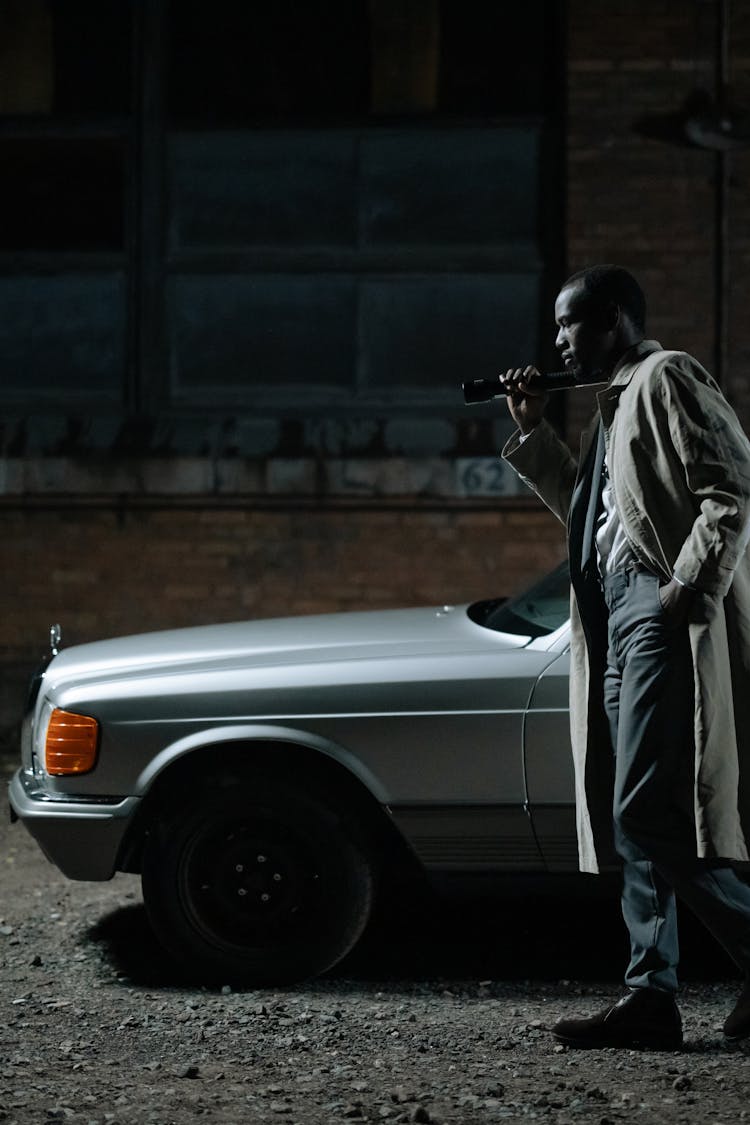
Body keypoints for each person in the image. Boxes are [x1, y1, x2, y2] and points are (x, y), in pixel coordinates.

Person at [501, 264, 750, 1049]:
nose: (558, 342)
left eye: (568, 325)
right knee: (632, 813)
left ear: (609, 319)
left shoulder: (667, 376)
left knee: (646, 806)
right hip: (615, 616)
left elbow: (731, 490)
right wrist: (533, 427)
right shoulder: (607, 412)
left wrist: (682, 592)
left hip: (655, 608)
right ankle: (651, 996)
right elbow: (594, 516)